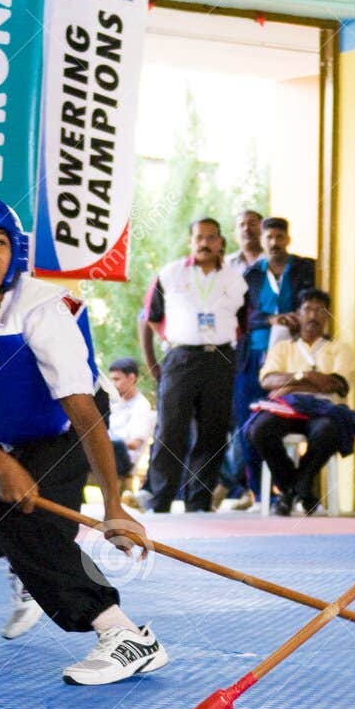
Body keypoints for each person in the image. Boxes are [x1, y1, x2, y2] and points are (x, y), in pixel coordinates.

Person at [0, 195, 167, 684]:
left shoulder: (45, 311)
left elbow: (83, 413)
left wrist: (113, 507)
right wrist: (3, 466)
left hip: (65, 427)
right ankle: (28, 560)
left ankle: (125, 636)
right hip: (4, 431)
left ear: (15, 249)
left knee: (19, 516)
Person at [139, 217, 247, 513]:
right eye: (199, 237)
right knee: (170, 430)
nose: (204, 243)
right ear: (190, 241)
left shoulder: (236, 279)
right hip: (180, 359)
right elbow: (150, 318)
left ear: (220, 242)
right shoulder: (170, 274)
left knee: (213, 432)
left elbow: (244, 322)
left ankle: (199, 502)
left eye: (211, 237)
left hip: (220, 358)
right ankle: (160, 500)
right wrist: (156, 363)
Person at [226, 217, 316, 507]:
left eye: (279, 237)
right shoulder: (249, 275)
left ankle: (294, 488)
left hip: (293, 355)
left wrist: (298, 319)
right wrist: (270, 319)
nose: (274, 243)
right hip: (254, 355)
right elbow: (238, 316)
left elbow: (318, 303)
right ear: (261, 241)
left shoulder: (306, 268)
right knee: (248, 422)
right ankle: (259, 494)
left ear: (288, 239)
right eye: (269, 238)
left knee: (296, 418)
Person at [247, 288, 355, 515]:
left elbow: (333, 384)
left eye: (320, 311)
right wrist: (306, 376)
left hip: (322, 409)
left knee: (329, 430)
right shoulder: (282, 348)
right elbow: (268, 381)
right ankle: (302, 489)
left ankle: (290, 493)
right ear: (298, 315)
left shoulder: (339, 348)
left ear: (327, 317)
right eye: (308, 309)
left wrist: (289, 384)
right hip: (285, 408)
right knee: (258, 430)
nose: (313, 316)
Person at [104, 356, 154, 480]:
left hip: (123, 459)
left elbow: (134, 444)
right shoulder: (114, 403)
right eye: (111, 380)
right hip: (107, 452)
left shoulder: (141, 406)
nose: (113, 384)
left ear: (131, 378)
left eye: (117, 379)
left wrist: (103, 442)